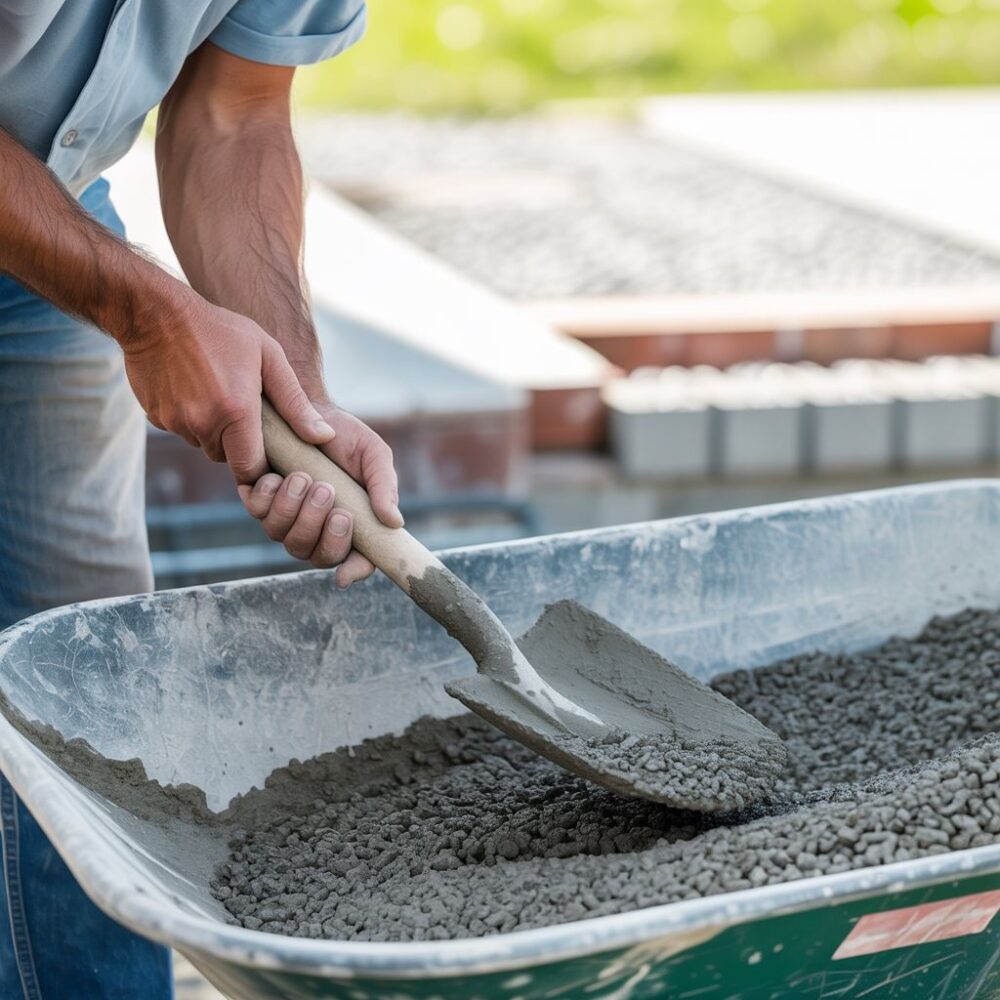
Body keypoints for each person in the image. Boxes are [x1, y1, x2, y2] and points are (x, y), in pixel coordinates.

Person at [0, 2, 400, 995]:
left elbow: (236, 115)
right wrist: (146, 311)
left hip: (41, 205)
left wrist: (295, 402)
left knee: (81, 665)